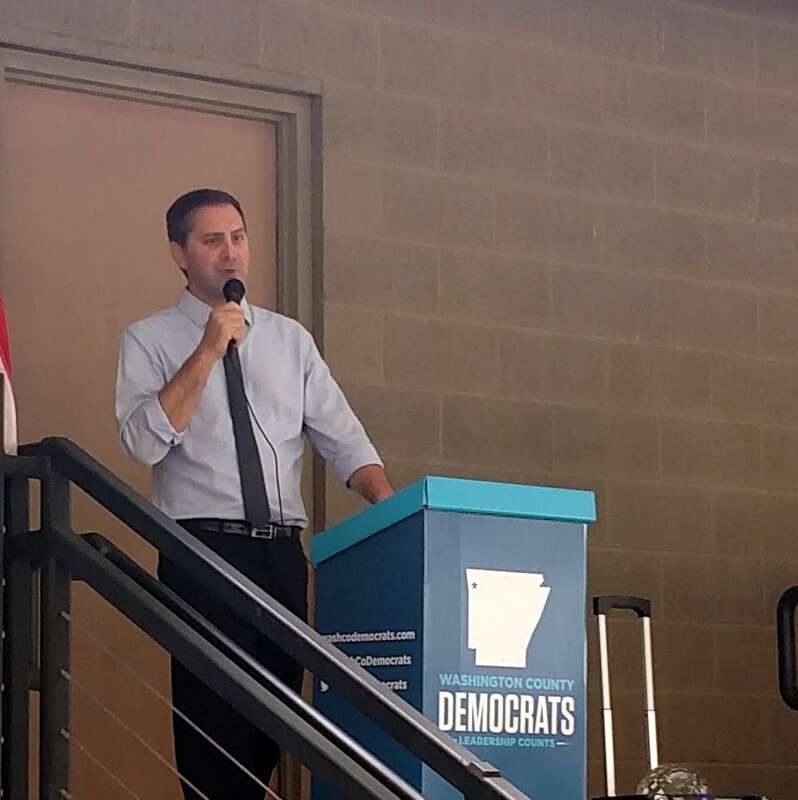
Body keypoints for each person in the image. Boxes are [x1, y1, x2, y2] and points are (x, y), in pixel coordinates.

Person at [115, 188, 393, 800]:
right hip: (202, 551)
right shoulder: (150, 340)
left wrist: (392, 508)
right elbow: (142, 444)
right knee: (212, 718)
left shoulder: (290, 340)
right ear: (179, 254)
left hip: (280, 556)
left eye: (238, 237)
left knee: (274, 717)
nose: (230, 253)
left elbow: (344, 438)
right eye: (212, 241)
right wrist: (209, 348)